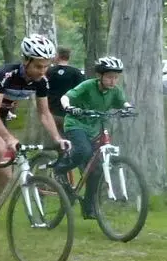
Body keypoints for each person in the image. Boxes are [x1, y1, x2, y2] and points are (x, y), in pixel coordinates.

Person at [0, 35, 70, 246]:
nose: (42, 71)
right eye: (38, 66)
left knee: (5, 177)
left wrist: (58, 138)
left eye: (46, 66)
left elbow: (44, 113)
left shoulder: (42, 82)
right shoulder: (4, 75)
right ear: (26, 61)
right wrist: (9, 137)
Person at [53, 56, 132, 219]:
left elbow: (123, 102)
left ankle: (89, 209)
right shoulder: (87, 86)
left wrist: (128, 108)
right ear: (100, 76)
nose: (113, 81)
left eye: (116, 77)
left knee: (95, 172)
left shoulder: (115, 91)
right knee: (84, 150)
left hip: (95, 128)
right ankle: (61, 168)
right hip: (76, 124)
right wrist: (69, 107)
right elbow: (66, 97)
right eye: (110, 77)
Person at [46, 47, 84, 133]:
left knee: (52, 137)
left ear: (57, 56)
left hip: (51, 111)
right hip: (69, 112)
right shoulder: (77, 73)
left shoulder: (48, 71)